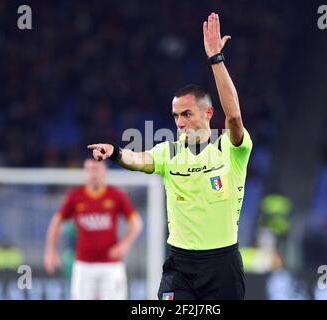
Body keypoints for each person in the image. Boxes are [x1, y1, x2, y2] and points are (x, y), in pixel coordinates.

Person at [88, 13, 252, 300]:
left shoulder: (231, 147)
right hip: (180, 266)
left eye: (187, 114)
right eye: (176, 115)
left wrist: (215, 58)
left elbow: (235, 116)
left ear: (207, 113)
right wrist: (115, 152)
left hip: (221, 265)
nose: (180, 122)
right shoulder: (169, 151)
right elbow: (139, 160)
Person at [44, 159, 143, 300]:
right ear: (85, 172)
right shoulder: (75, 196)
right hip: (84, 265)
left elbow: (136, 223)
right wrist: (50, 251)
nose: (93, 173)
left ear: (105, 172)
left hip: (111, 265)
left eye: (96, 169)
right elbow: (56, 222)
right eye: (89, 169)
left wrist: (124, 245)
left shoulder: (116, 195)